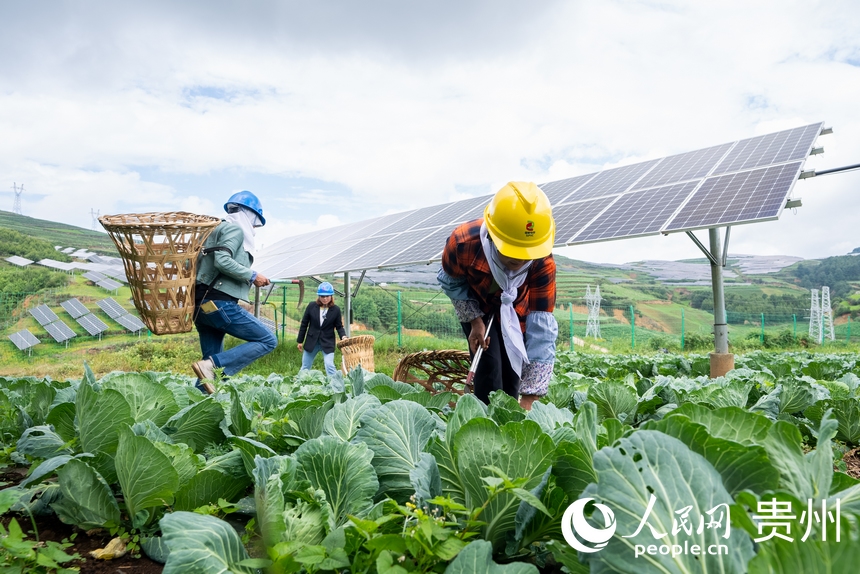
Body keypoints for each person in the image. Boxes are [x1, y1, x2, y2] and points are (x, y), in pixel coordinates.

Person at [437, 181, 557, 410]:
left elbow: (541, 330)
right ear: (493, 236)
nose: (520, 261)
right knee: (488, 365)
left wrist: (529, 399)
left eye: (526, 254)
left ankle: (506, 422)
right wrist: (474, 321)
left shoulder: (543, 262)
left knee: (513, 374)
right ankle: (483, 422)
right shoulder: (463, 243)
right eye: (512, 252)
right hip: (476, 303)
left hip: (515, 311)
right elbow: (452, 281)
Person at [191, 190, 277, 393]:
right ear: (249, 214)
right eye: (255, 221)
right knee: (268, 340)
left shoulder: (213, 231)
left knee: (211, 379)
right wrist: (252, 275)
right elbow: (222, 261)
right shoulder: (234, 230)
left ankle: (194, 409)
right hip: (219, 303)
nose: (254, 226)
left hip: (201, 308)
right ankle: (211, 365)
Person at [297, 282, 348, 376]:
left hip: (327, 341)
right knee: (305, 366)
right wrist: (300, 341)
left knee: (329, 365)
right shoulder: (311, 306)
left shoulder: (336, 310)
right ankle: (298, 386)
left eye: (327, 296)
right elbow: (304, 324)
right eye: (322, 296)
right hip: (312, 341)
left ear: (331, 296)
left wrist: (343, 337)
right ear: (319, 296)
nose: (325, 299)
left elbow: (339, 326)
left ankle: (336, 386)